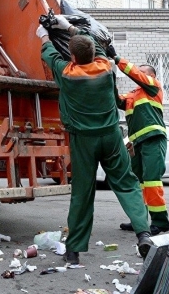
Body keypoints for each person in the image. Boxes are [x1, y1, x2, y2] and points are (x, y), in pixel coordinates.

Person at [36, 16, 153, 266]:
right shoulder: (104, 66)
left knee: (82, 192)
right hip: (111, 136)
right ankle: (143, 233)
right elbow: (93, 43)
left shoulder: (67, 74)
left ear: (73, 57)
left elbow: (48, 53)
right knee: (127, 183)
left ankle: (74, 251)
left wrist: (44, 33)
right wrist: (68, 26)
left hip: (83, 140)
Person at [110, 57, 169, 236]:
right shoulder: (132, 96)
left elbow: (135, 74)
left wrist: (117, 59)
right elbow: (116, 100)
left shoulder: (153, 87)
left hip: (153, 138)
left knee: (151, 180)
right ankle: (140, 221)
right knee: (138, 183)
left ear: (151, 76)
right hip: (136, 144)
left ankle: (160, 222)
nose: (139, 75)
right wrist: (109, 79)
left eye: (143, 72)